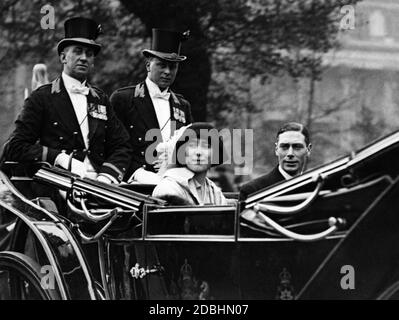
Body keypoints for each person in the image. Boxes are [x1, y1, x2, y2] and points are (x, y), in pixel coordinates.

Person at [2, 17, 131, 184]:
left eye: (89, 54)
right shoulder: (42, 97)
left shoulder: (101, 100)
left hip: (102, 184)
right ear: (63, 57)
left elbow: (122, 146)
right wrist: (59, 157)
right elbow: (15, 147)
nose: (84, 58)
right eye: (78, 51)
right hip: (57, 184)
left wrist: (107, 176)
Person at [110, 28, 193, 184]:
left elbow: (188, 149)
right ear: (148, 65)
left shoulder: (182, 105)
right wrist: (137, 174)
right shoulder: (124, 99)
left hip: (174, 182)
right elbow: (113, 146)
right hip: (132, 184)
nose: (168, 72)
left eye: (173, 67)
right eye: (162, 65)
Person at [152, 122, 227, 205]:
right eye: (192, 145)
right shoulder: (169, 188)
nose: (198, 152)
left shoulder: (214, 192)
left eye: (206, 146)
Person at [240, 122, 312, 200]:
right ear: (276, 149)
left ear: (308, 149)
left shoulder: (315, 188)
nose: (290, 154)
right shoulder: (253, 191)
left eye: (297, 147)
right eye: (284, 147)